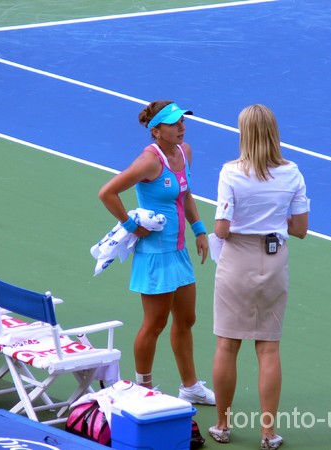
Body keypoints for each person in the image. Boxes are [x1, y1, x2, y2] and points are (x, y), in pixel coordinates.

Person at [98, 100, 215, 405]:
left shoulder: (184, 152)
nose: (182, 127)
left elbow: (185, 194)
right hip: (154, 256)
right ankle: (142, 390)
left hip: (178, 252)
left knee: (186, 319)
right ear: (156, 129)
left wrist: (199, 230)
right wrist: (131, 225)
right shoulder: (148, 162)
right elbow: (107, 192)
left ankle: (190, 386)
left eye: (182, 122)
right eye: (175, 123)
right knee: (155, 323)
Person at [208, 104, 309, 449]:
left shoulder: (230, 173)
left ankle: (222, 425)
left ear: (244, 134)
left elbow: (221, 229)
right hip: (274, 261)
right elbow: (300, 228)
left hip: (237, 260)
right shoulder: (292, 172)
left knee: (227, 344)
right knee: (268, 349)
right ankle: (268, 434)